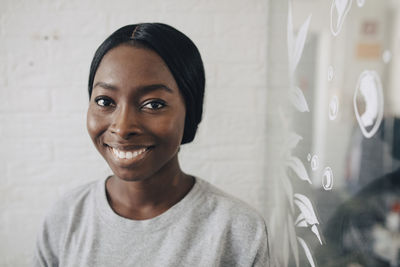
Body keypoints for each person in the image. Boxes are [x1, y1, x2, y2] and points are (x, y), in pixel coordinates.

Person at [33, 23, 270, 267]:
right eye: (105, 101)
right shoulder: (66, 217)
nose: (122, 128)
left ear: (190, 113)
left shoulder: (238, 230)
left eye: (153, 104)